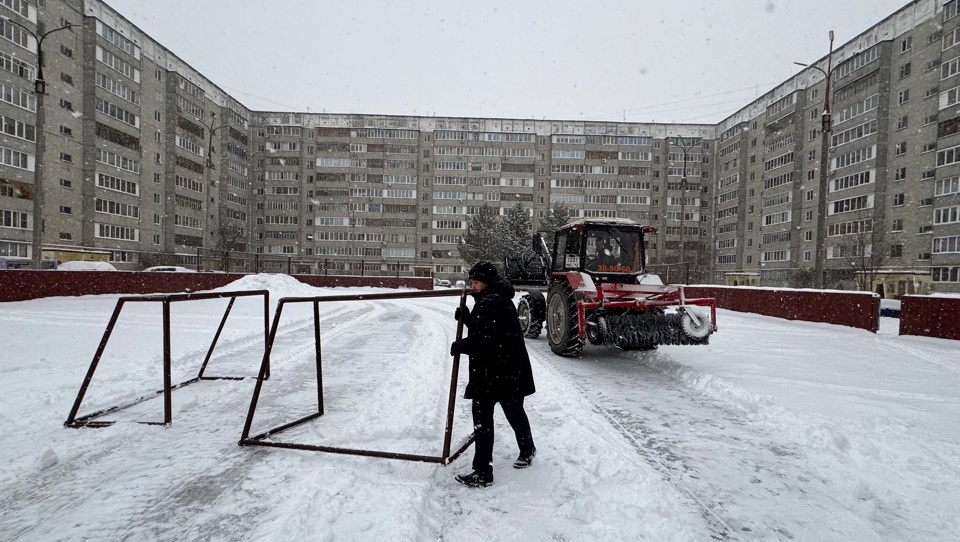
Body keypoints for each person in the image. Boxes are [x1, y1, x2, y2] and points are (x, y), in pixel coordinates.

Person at [450, 260, 537, 488]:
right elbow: (489, 330)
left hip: (495, 373)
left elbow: (485, 341)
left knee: (483, 422)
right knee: (514, 413)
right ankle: (527, 449)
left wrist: (459, 346)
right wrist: (468, 318)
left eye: (475, 282)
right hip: (507, 372)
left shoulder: (491, 302)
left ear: (486, 283)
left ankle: (482, 472)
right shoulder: (495, 299)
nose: (472, 286)